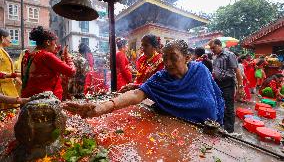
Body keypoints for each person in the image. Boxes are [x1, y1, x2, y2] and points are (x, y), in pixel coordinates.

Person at [63, 40, 225, 124]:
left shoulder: (201, 71)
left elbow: (215, 98)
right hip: (175, 128)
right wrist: (101, 107)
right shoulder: (161, 78)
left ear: (187, 57)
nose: (167, 63)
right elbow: (136, 94)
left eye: (173, 58)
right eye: (165, 59)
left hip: (208, 131)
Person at [21, 26, 76, 100]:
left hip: (28, 98)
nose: (56, 46)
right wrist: (68, 57)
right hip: (45, 102)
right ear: (48, 42)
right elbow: (71, 71)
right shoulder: (46, 55)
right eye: (55, 43)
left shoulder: (27, 56)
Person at [209, 39, 244, 134]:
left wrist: (240, 86)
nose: (212, 50)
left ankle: (229, 131)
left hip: (228, 83)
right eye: (211, 48)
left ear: (219, 45)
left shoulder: (229, 55)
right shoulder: (215, 56)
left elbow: (237, 71)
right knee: (219, 104)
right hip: (217, 83)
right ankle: (222, 124)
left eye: (213, 47)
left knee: (228, 106)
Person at [0, 28, 21, 109]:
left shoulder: (3, 51)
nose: (11, 40)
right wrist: (13, 75)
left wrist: (19, 74)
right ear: (2, 38)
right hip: (2, 90)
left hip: (8, 88)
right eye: (9, 38)